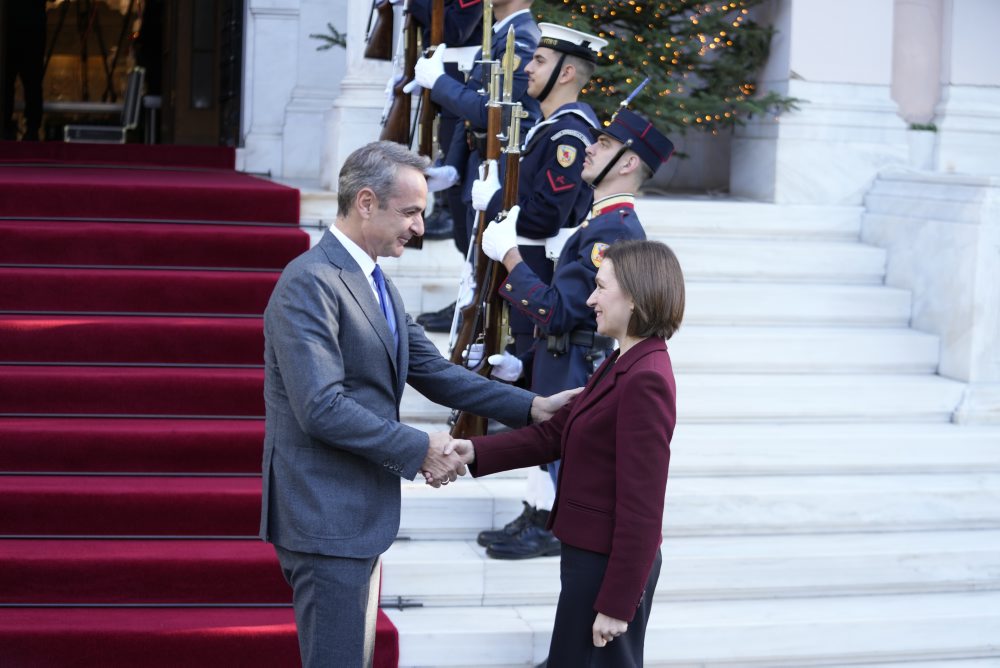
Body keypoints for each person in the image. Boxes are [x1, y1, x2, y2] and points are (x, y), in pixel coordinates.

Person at [259, 140, 576, 668]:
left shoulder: (375, 280)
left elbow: (433, 371)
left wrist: (534, 407)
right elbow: (322, 407)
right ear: (366, 202)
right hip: (325, 516)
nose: (421, 227)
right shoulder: (309, 283)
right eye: (410, 212)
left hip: (355, 514)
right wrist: (421, 448)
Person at [450, 239, 685, 667]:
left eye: (601, 287)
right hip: (589, 559)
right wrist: (474, 451)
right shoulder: (622, 362)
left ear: (635, 297)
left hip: (608, 569)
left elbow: (643, 507)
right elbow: (554, 436)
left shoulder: (645, 378)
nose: (590, 299)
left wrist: (617, 603)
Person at [474, 108, 675, 559]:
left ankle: (559, 540)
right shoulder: (599, 221)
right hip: (560, 361)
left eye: (603, 144)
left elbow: (561, 311)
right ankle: (545, 524)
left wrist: (510, 256)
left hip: (574, 366)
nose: (589, 147)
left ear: (628, 163)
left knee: (573, 481)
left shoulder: (613, 229)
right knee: (558, 465)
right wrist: (525, 363)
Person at [409, 0, 541, 331]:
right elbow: (470, 111)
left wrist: (439, 82)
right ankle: (469, 315)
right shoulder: (498, 33)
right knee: (473, 254)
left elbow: (492, 111)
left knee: (484, 261)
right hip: (477, 161)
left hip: (499, 165)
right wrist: (452, 166)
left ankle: (479, 328)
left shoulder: (522, 38)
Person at [1, 0, 47, 141]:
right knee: (30, 83)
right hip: (26, 28)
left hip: (17, 28)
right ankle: (29, 128)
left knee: (25, 83)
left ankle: (23, 127)